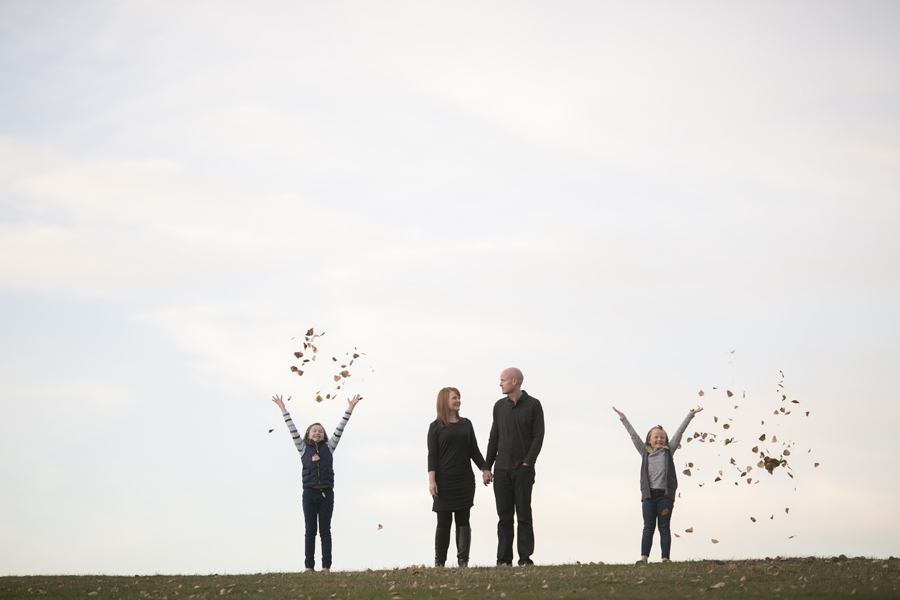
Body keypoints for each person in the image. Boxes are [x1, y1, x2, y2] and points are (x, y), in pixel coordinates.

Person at [272, 393, 362, 573]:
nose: (317, 432)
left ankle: (326, 567)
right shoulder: (302, 448)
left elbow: (341, 428)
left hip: (326, 493)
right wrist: (283, 409)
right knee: (310, 531)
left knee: (325, 531)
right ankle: (308, 567)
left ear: (324, 435)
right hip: (309, 494)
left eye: (320, 431)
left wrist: (350, 408)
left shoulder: (330, 447)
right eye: (314, 430)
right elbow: (292, 429)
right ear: (308, 434)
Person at [612, 405, 703, 563]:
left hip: (665, 497)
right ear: (649, 440)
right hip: (648, 496)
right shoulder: (644, 452)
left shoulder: (669, 451)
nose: (660, 439)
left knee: (664, 528)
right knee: (648, 527)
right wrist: (623, 418)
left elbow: (679, 433)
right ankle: (644, 558)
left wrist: (690, 415)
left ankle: (665, 558)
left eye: (662, 437)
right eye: (656, 437)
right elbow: (633, 435)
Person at [482, 367, 544, 566]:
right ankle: (503, 561)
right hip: (501, 470)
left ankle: (525, 559)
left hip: (523, 470)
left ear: (514, 381)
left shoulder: (534, 405)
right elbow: (494, 437)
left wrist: (528, 463)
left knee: (524, 515)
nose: (500, 384)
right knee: (504, 518)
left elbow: (538, 436)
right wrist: (487, 467)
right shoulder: (499, 406)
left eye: (503, 380)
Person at [427, 387, 486, 568]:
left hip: (464, 481)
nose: (458, 400)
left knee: (463, 520)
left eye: (459, 397)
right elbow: (432, 455)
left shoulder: (466, 424)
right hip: (444, 482)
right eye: (454, 398)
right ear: (444, 401)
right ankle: (439, 563)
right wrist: (432, 481)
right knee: (443, 522)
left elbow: (474, 450)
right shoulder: (435, 427)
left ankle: (463, 562)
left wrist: (485, 469)